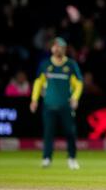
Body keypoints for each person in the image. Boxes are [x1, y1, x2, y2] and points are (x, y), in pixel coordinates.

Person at [30, 37, 83, 169]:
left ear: (64, 49)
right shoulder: (45, 64)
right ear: (52, 48)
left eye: (60, 46)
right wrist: (34, 100)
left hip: (66, 105)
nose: (57, 48)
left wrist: (75, 98)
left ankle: (72, 158)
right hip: (49, 105)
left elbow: (79, 83)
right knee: (48, 133)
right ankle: (47, 158)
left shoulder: (71, 64)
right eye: (55, 46)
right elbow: (38, 83)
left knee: (70, 133)